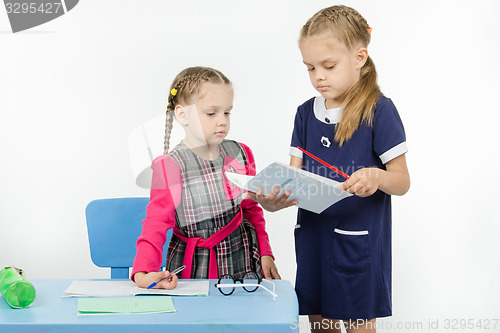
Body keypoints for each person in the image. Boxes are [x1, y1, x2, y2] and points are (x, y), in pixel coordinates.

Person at [244, 5, 410, 333]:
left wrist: (376, 177)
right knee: (321, 325)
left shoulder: (379, 110)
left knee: (359, 324)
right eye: (310, 68)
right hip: (314, 239)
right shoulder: (305, 114)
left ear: (359, 57)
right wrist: (273, 200)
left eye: (328, 66)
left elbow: (403, 181)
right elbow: (293, 178)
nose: (319, 76)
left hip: (356, 242)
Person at [132, 66, 280, 290]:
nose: (222, 121)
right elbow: (156, 223)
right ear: (183, 115)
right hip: (193, 264)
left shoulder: (240, 154)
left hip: (241, 258)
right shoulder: (169, 165)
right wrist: (143, 274)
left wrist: (266, 253)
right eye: (211, 113)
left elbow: (251, 210)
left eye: (227, 112)